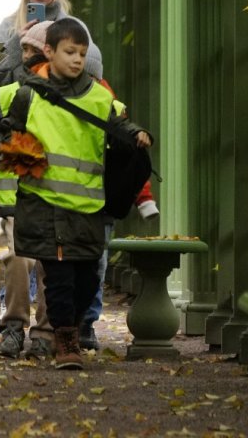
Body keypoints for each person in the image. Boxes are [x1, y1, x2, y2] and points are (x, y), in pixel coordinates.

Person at [0, 18, 152, 369]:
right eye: (70, 52)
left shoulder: (99, 97)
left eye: (82, 53)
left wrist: (137, 135)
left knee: (88, 278)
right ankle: (66, 342)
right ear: (49, 51)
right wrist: (9, 149)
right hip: (43, 204)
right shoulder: (22, 94)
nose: (77, 59)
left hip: (88, 206)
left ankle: (68, 328)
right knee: (57, 277)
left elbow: (119, 123)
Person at [78, 42, 159, 351]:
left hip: (100, 199)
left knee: (95, 263)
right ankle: (73, 323)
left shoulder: (111, 107)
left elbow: (129, 153)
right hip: (80, 197)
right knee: (87, 263)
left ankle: (84, 322)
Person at [0, 20, 55, 360]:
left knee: (48, 263)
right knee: (18, 259)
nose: (27, 56)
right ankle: (14, 326)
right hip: (15, 194)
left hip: (54, 194)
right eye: (25, 49)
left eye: (35, 49)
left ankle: (44, 332)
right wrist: (4, 144)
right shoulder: (7, 94)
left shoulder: (66, 98)